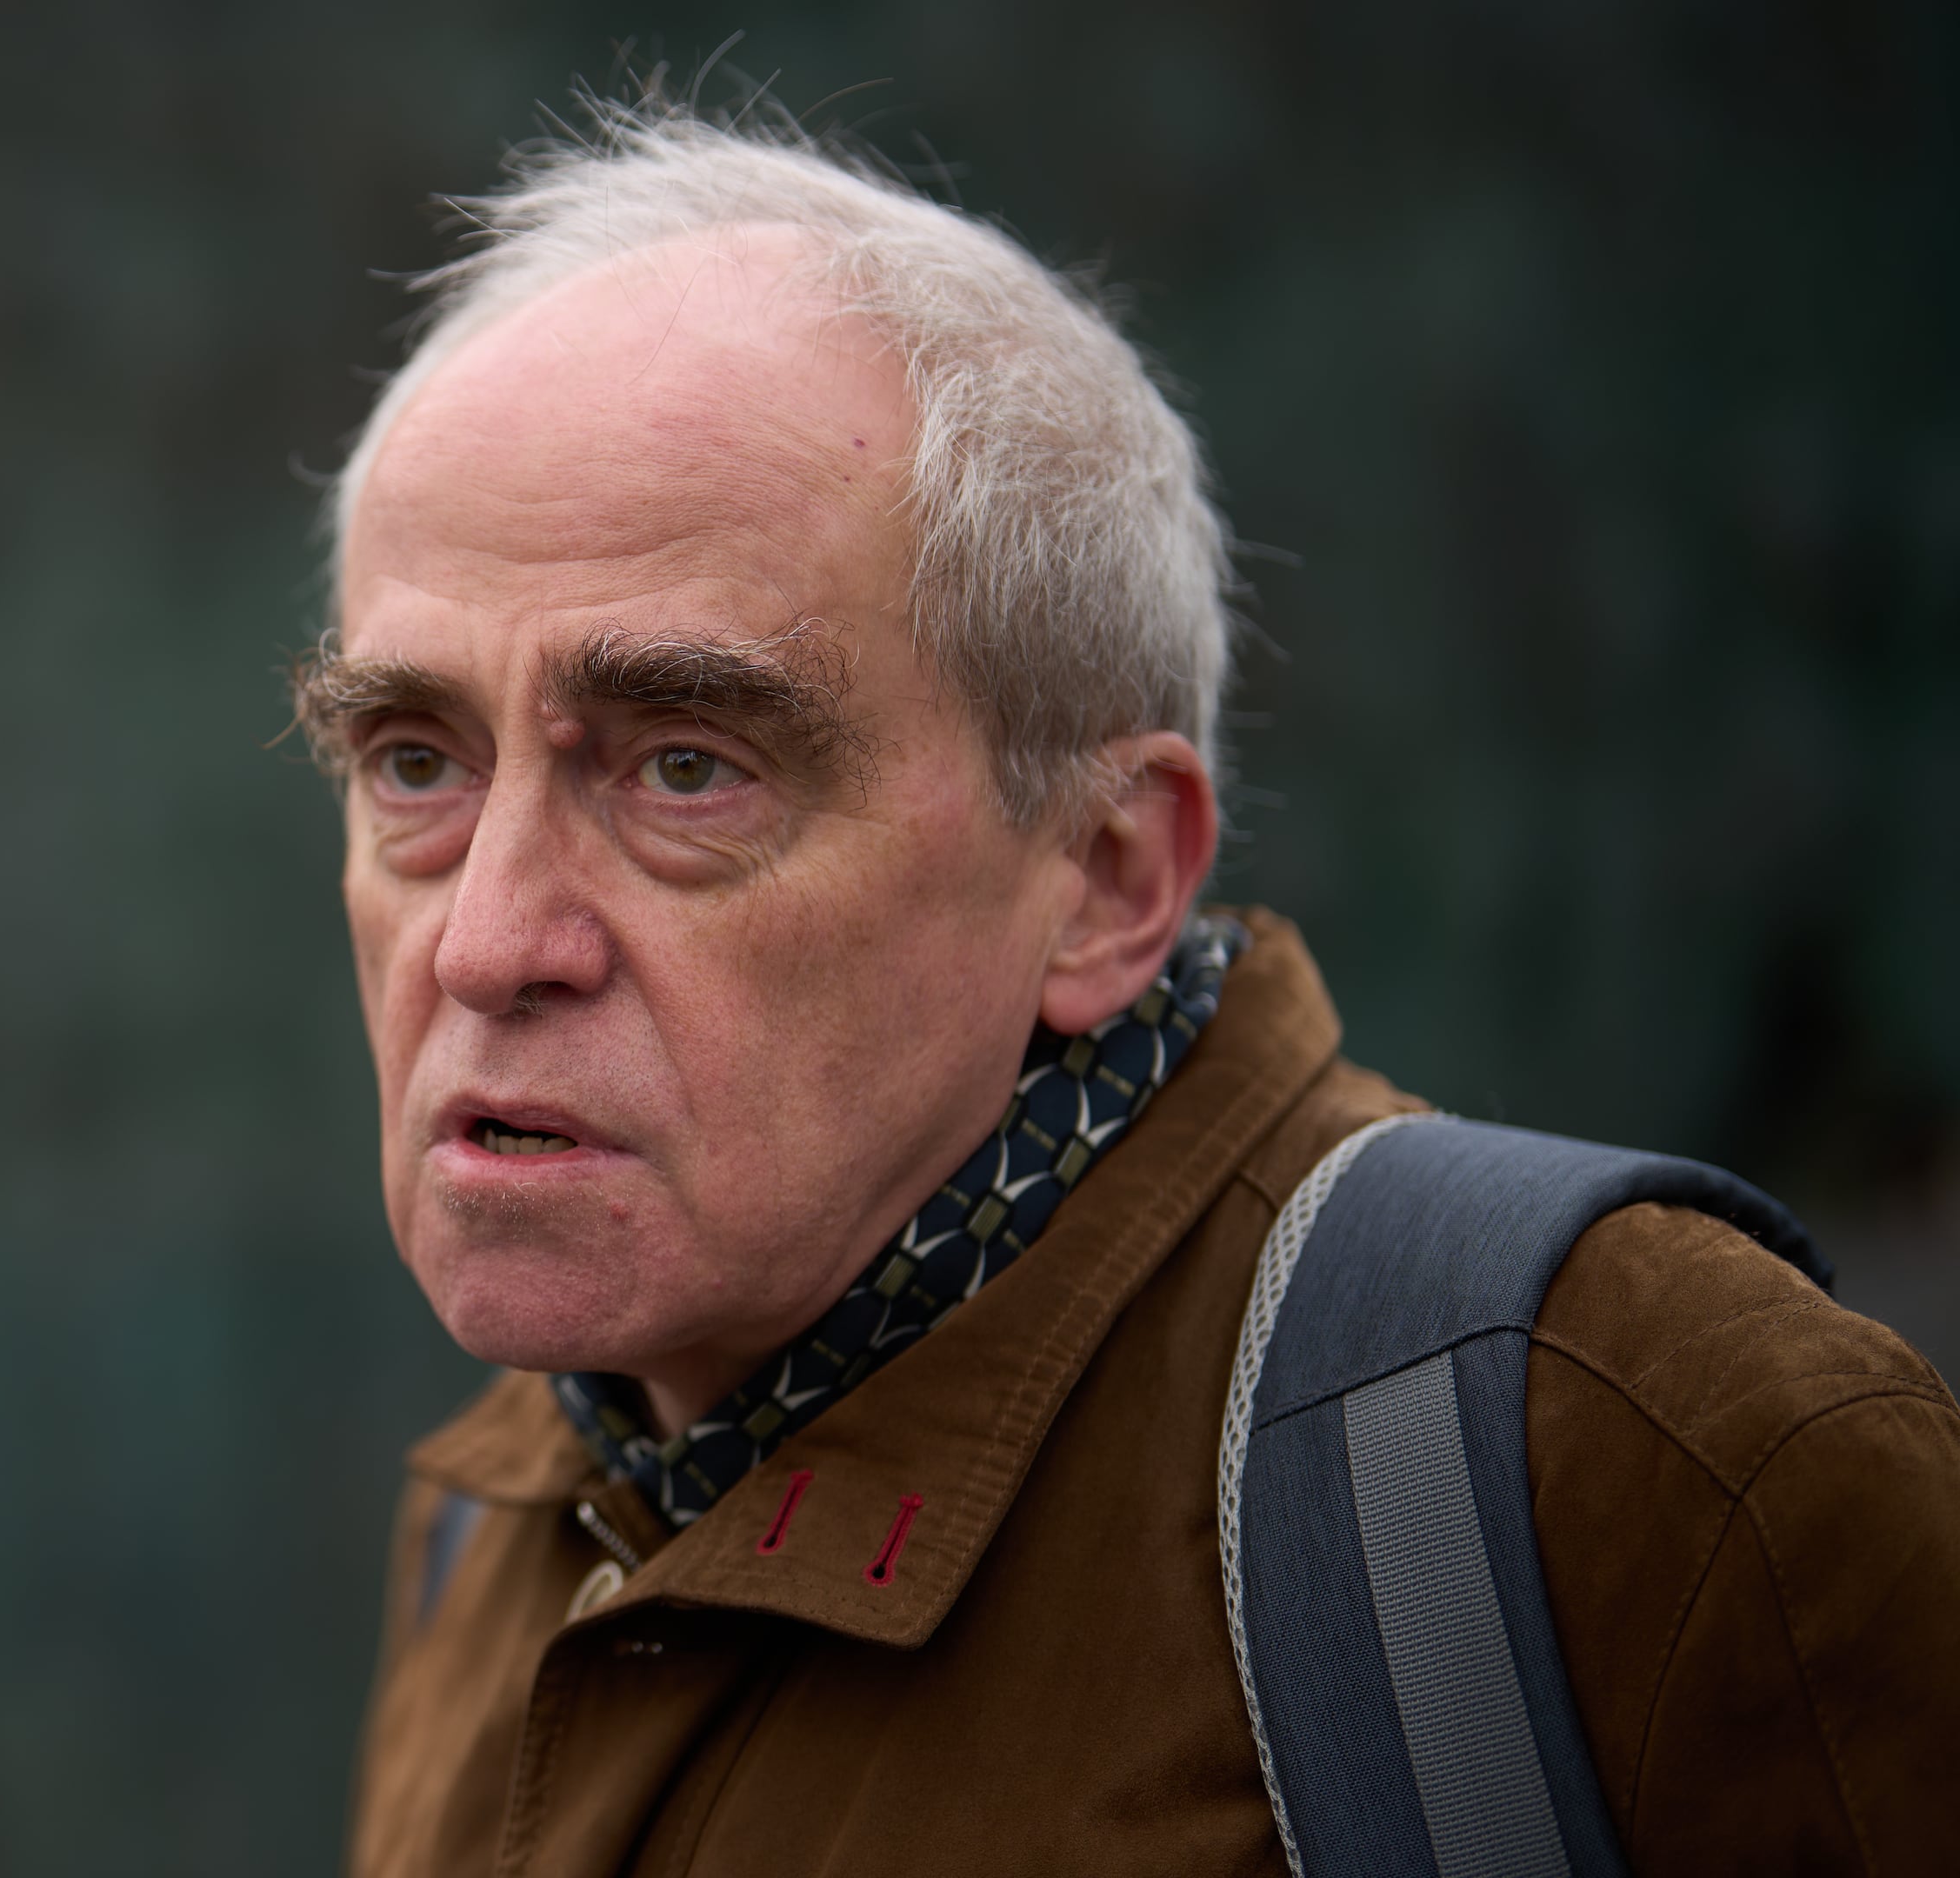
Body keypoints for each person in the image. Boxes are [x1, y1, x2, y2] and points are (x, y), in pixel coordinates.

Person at [292, 98, 1960, 1876]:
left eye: (685, 770)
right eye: (414, 763)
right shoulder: (506, 1515)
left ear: (1105, 876)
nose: (484, 942)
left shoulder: (1642, 1453)